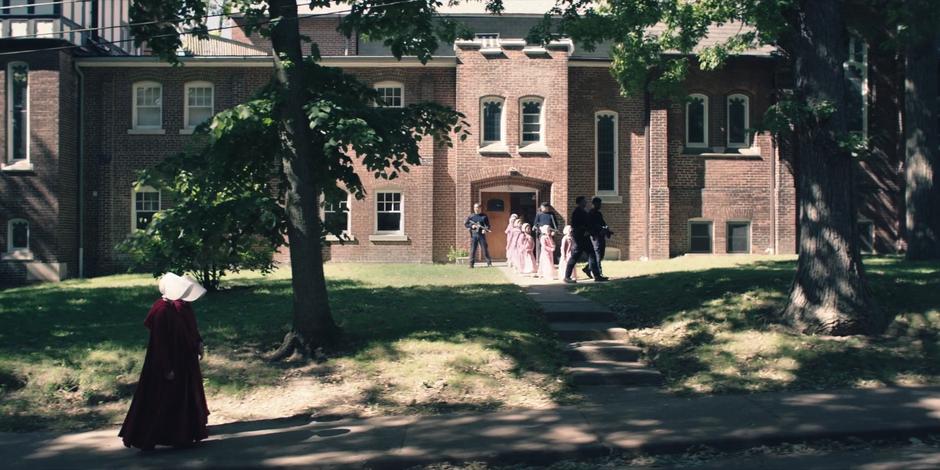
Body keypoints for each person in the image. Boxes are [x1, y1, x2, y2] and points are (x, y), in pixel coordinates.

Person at [120, 273, 209, 451]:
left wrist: (196, 343)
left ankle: (180, 434)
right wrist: (167, 367)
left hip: (180, 360)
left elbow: (188, 328)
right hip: (166, 363)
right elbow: (160, 343)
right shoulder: (161, 310)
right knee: (159, 401)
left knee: (176, 400)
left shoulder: (174, 307)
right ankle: (148, 436)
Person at [564, 196, 607, 283]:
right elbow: (575, 225)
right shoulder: (577, 212)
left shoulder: (584, 212)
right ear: (580, 202)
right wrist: (584, 230)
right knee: (575, 256)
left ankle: (597, 276)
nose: (586, 203)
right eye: (584, 201)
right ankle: (567, 277)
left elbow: (589, 224)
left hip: (585, 237)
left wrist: (590, 230)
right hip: (579, 238)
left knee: (592, 255)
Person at [583, 197, 613, 279]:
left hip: (601, 236)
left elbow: (603, 223)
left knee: (601, 254)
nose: (600, 205)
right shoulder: (591, 213)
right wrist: (599, 229)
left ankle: (588, 268)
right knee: (597, 255)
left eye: (600, 203)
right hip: (595, 237)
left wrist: (607, 229)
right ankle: (598, 274)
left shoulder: (599, 213)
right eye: (598, 203)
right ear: (594, 204)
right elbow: (590, 225)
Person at [464, 203, 492, 268]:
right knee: (473, 250)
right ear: (474, 208)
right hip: (474, 235)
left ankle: (489, 263)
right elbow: (466, 224)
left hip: (481, 235)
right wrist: (472, 226)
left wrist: (485, 230)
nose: (476, 209)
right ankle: (471, 264)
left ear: (480, 208)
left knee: (484, 249)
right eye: (475, 207)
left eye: (478, 207)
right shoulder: (471, 216)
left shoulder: (484, 216)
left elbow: (488, 225)